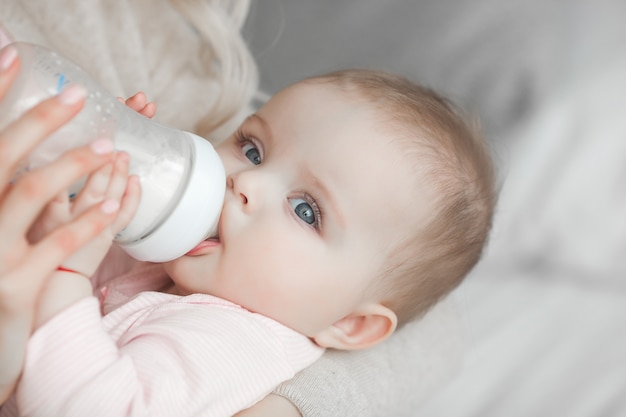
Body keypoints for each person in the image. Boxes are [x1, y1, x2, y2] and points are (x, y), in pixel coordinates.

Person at [0, 47, 496, 417]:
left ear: (349, 323)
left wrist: (66, 270)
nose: (246, 182)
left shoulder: (232, 343)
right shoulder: (187, 264)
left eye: (306, 211)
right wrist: (85, 185)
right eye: (254, 149)